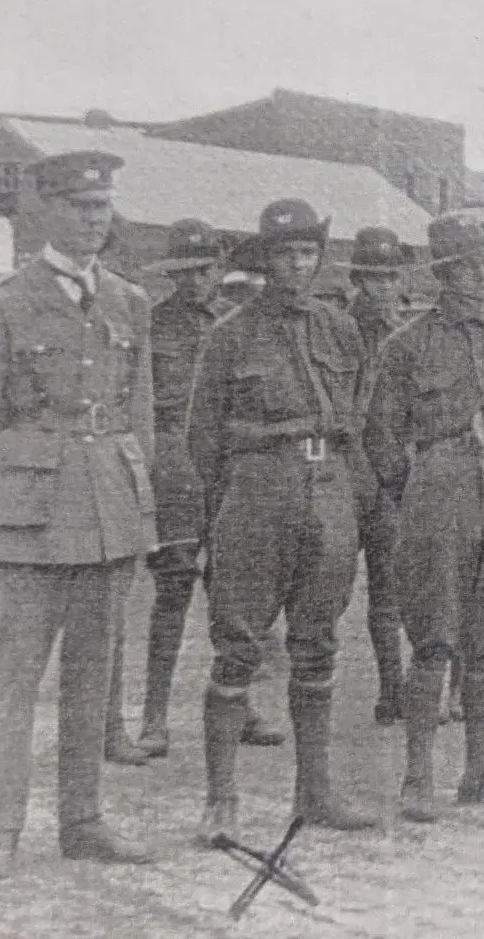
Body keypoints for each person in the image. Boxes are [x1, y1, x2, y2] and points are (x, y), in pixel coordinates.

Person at [0, 151, 156, 879]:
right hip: (28, 520)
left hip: (108, 511)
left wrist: (137, 505)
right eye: (84, 206)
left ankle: (82, 821)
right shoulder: (3, 302)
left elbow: (139, 417)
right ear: (49, 210)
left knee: (94, 679)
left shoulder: (128, 300)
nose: (98, 218)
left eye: (105, 205)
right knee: (16, 681)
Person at [190, 198, 376, 843]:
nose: (297, 264)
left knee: (319, 642)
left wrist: (346, 493)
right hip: (258, 490)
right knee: (238, 644)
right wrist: (237, 501)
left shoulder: (340, 329)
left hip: (328, 489)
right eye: (285, 253)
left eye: (307, 253)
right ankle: (220, 800)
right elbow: (202, 440)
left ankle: (315, 792)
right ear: (265, 261)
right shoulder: (230, 335)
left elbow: (358, 422)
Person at [364, 213, 484, 819]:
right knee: (435, 637)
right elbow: (383, 437)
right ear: (444, 274)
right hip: (439, 492)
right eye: (469, 267)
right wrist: (420, 488)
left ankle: (483, 770)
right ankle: (418, 776)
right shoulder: (406, 344)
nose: (482, 276)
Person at [128, 221, 280, 759]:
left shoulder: (239, 327)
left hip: (229, 466)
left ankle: (239, 707)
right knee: (172, 592)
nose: (195, 281)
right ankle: (153, 719)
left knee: (233, 593)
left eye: (205, 270)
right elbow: (137, 406)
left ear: (220, 269)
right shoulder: (148, 327)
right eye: (183, 272)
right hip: (173, 466)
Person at [342, 226, 415, 724]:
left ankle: (394, 689)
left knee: (391, 588)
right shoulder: (338, 330)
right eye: (373, 279)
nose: (383, 288)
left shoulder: (407, 334)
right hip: (347, 474)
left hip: (393, 475)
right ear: (357, 281)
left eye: (390, 278)